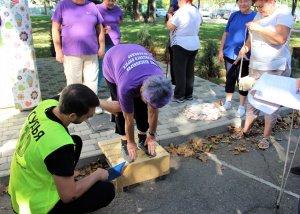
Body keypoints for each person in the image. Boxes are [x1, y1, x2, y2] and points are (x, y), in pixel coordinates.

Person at [8, 84, 115, 213]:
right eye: (88, 116)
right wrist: (97, 175)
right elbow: (69, 196)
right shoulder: (60, 146)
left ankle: (64, 180)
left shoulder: (46, 104)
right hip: (37, 207)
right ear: (72, 116)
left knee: (76, 141)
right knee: (106, 190)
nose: (91, 117)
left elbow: (68, 93)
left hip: (22, 190)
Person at [233, 0, 294, 149]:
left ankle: (266, 137)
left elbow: (280, 39)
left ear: (272, 1)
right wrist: (245, 48)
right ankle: (246, 130)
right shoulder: (259, 15)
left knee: (270, 104)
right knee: (252, 99)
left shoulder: (283, 14)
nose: (259, 9)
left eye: (261, 5)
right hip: (256, 65)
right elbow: (251, 37)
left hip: (275, 67)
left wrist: (259, 28)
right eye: (257, 6)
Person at [98, 44, 173, 163]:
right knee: (121, 109)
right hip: (112, 60)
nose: (152, 106)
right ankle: (124, 139)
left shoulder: (159, 80)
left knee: (142, 106)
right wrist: (130, 142)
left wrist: (152, 135)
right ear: (142, 90)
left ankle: (142, 137)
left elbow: (153, 111)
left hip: (136, 55)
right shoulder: (126, 87)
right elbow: (128, 118)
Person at [51, 0, 105, 114]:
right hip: (71, 53)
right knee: (74, 84)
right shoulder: (63, 5)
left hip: (91, 52)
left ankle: (92, 106)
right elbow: (55, 28)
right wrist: (58, 50)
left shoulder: (92, 6)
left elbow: (100, 28)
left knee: (92, 81)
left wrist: (102, 46)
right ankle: (75, 108)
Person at [218, 0, 256, 118]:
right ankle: (228, 102)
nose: (243, 4)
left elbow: (254, 37)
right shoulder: (234, 15)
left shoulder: (255, 16)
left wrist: (245, 49)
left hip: (245, 56)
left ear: (252, 2)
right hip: (229, 53)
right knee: (230, 78)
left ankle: (241, 106)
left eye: (246, 1)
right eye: (240, 1)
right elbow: (226, 33)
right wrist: (221, 50)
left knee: (243, 82)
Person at [166, 0, 201, 103]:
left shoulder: (181, 12)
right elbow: (200, 22)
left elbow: (170, 26)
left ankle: (179, 95)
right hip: (194, 43)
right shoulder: (196, 11)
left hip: (180, 44)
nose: (177, 2)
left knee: (180, 71)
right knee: (189, 71)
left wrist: (169, 16)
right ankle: (189, 94)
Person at [96, 0, 123, 114]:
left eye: (114, 0)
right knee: (99, 71)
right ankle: (94, 101)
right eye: (109, 0)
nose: (111, 2)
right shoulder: (96, 8)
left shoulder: (118, 9)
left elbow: (119, 21)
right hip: (103, 45)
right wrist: (102, 31)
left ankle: (116, 98)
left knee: (115, 71)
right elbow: (92, 25)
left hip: (115, 45)